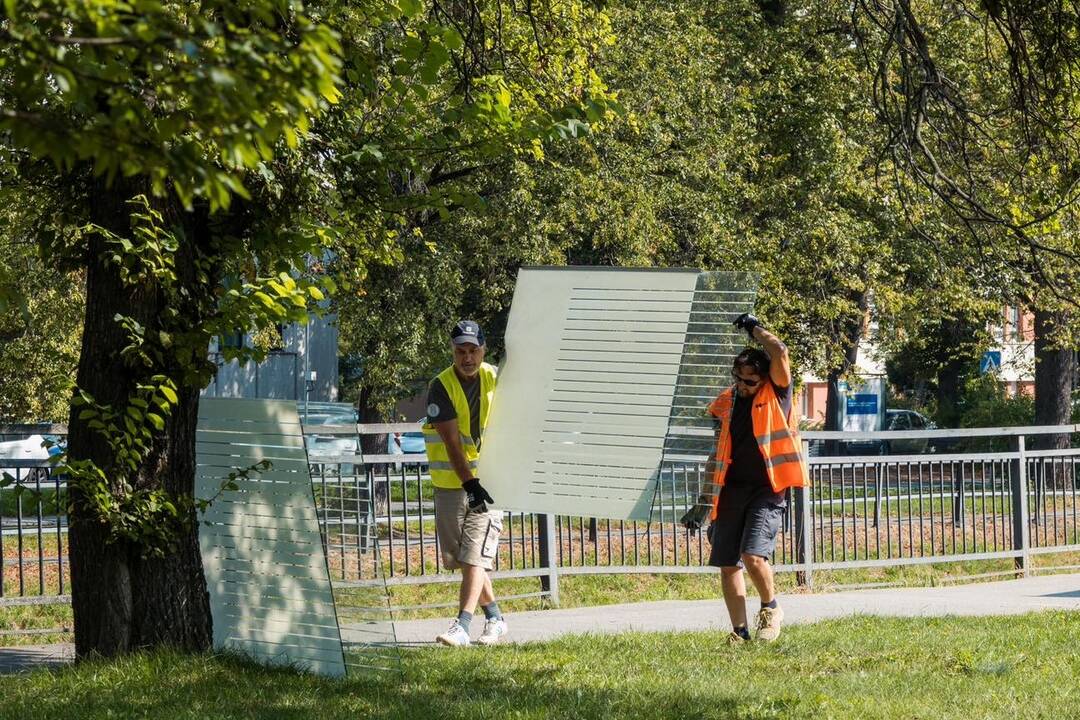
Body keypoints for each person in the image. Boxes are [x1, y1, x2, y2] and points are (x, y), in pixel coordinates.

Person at [681, 312, 809, 643]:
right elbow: (717, 454)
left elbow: (779, 350)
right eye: (738, 378)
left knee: (753, 556)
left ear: (764, 379)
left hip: (768, 488)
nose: (743, 385)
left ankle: (771, 608)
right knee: (727, 563)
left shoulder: (778, 393)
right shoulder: (727, 402)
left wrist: (753, 328)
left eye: (750, 381)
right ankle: (739, 632)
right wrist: (703, 500)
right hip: (731, 490)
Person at [422, 319, 507, 647]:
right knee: (461, 557)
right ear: (453, 352)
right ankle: (496, 619)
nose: (467, 357)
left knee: (475, 556)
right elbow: (453, 445)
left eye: (473, 350)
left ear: (483, 350)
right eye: (461, 351)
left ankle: (461, 625)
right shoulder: (440, 386)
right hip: (452, 482)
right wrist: (470, 484)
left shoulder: (498, 378)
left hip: (493, 478)